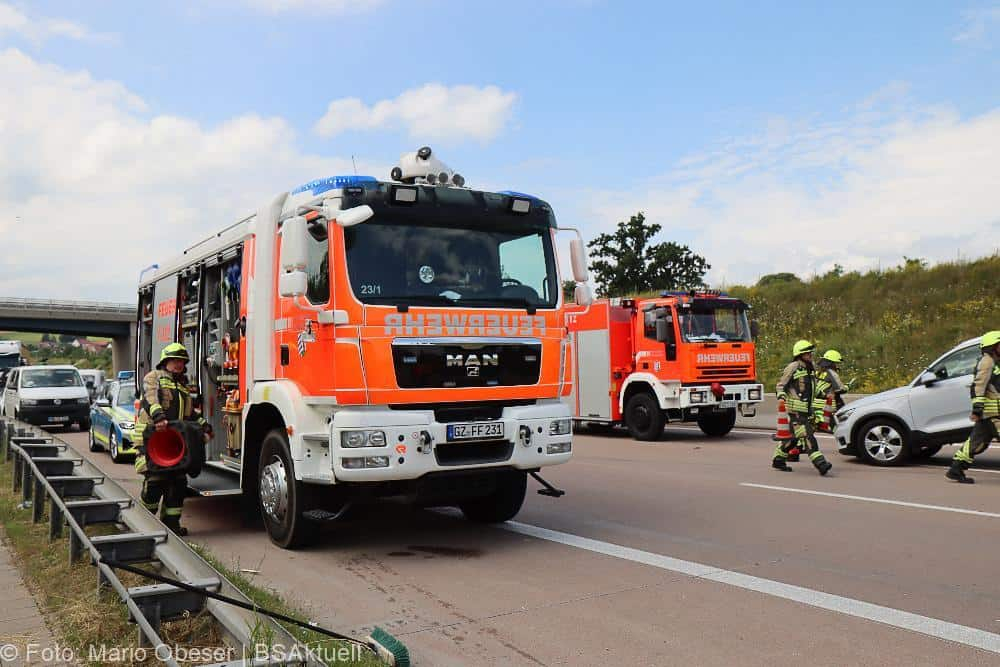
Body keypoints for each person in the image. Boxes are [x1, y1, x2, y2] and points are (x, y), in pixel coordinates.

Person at [134, 343, 211, 535]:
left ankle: (171, 525)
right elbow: (150, 398)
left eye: (182, 361)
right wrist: (159, 416)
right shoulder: (154, 377)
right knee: (155, 482)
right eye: (175, 360)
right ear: (165, 361)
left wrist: (203, 424)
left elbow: (189, 413)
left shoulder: (183, 386)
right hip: (153, 440)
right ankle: (144, 525)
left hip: (176, 442)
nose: (178, 364)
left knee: (178, 485)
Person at [946, 331, 1000, 484]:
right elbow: (978, 386)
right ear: (992, 347)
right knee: (977, 442)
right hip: (992, 413)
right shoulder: (986, 362)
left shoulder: (995, 362)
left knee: (976, 442)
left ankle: (956, 469)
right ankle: (956, 469)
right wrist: (977, 409)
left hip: (992, 413)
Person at [773, 339, 833, 475]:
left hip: (807, 410)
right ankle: (820, 463)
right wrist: (781, 395)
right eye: (807, 353)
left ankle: (778, 459)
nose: (810, 355)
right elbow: (781, 385)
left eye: (811, 353)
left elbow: (812, 388)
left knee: (793, 439)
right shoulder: (793, 367)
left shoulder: (810, 368)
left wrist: (823, 395)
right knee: (808, 436)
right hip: (796, 410)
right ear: (800, 354)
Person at [814, 349, 847, 430]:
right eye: (836, 363)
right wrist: (846, 387)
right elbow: (840, 388)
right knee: (843, 409)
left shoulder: (818, 371)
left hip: (815, 401)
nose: (837, 365)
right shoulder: (832, 373)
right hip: (827, 401)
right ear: (832, 363)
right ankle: (841, 427)